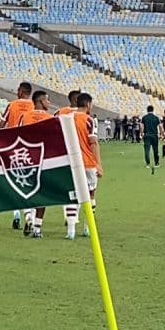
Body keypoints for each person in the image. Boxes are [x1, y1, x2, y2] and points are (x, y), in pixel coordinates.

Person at [64, 92, 102, 240]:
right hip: (87, 162)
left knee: (72, 195)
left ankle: (71, 230)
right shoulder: (88, 120)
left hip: (71, 162)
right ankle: (88, 228)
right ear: (88, 104)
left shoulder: (66, 118)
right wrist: (98, 164)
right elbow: (93, 143)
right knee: (90, 194)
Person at [20, 90, 53, 239]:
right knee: (43, 194)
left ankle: (28, 216)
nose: (49, 103)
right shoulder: (50, 118)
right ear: (40, 101)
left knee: (26, 189)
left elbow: (18, 135)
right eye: (47, 100)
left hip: (27, 157)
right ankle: (37, 228)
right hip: (44, 158)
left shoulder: (25, 116)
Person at [2, 81, 34, 230]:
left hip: (12, 147)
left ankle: (16, 213)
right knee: (28, 181)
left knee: (12, 180)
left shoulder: (12, 105)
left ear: (21, 91)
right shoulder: (34, 106)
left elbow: (1, 124)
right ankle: (29, 214)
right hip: (30, 149)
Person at [141, 105, 162, 174]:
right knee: (155, 149)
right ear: (153, 110)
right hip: (154, 135)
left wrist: (142, 133)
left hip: (147, 135)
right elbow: (160, 126)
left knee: (147, 150)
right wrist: (161, 134)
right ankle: (156, 163)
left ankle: (148, 163)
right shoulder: (156, 118)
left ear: (147, 110)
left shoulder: (144, 117)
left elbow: (141, 126)